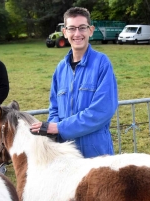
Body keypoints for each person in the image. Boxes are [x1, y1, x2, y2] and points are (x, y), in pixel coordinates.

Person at [31, 7, 118, 158]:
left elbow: (103, 110)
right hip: (66, 156)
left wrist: (59, 127)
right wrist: (52, 130)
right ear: (65, 32)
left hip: (96, 156)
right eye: (72, 28)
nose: (77, 34)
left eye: (82, 28)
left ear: (90, 30)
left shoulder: (102, 64)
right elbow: (54, 109)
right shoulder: (60, 69)